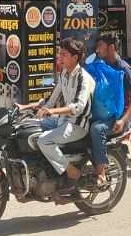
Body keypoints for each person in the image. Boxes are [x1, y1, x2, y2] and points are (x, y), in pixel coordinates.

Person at [18, 38, 94, 186]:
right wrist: (26, 107)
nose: (60, 57)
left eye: (64, 54)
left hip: (77, 125)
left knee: (44, 140)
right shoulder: (64, 74)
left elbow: (77, 107)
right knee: (28, 128)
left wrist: (51, 111)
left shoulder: (84, 78)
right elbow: (51, 100)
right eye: (60, 54)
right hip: (61, 120)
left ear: (75, 57)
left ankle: (71, 170)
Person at [89, 35, 131, 186]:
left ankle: (101, 171)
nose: (98, 50)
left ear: (111, 48)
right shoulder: (101, 65)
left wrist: (123, 120)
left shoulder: (123, 68)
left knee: (97, 130)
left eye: (101, 46)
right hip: (102, 112)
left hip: (117, 116)